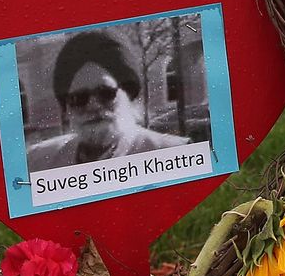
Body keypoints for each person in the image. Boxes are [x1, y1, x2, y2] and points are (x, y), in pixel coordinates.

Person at [29, 30, 188, 171]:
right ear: (67, 108)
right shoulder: (39, 162)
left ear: (127, 95)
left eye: (106, 93)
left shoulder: (173, 153)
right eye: (79, 98)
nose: (93, 105)